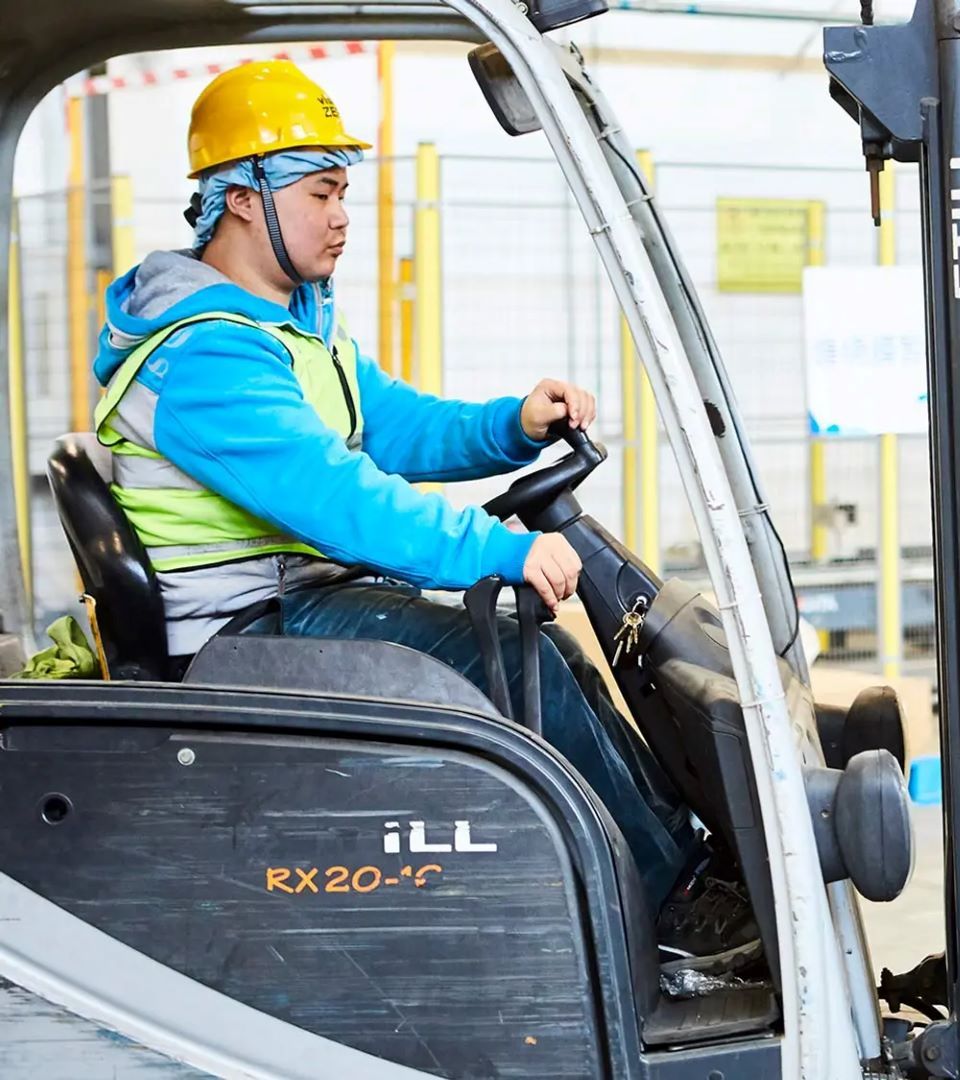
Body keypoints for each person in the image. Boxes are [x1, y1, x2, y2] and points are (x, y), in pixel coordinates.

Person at [91, 60, 750, 966]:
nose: (341, 215)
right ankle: (668, 908)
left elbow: (391, 426)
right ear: (244, 197)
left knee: (545, 652)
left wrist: (513, 425)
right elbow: (340, 499)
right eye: (321, 191)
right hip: (246, 625)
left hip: (298, 598)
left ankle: (670, 871)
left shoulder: (288, 324)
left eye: (343, 192)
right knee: (532, 663)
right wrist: (493, 550)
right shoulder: (206, 358)